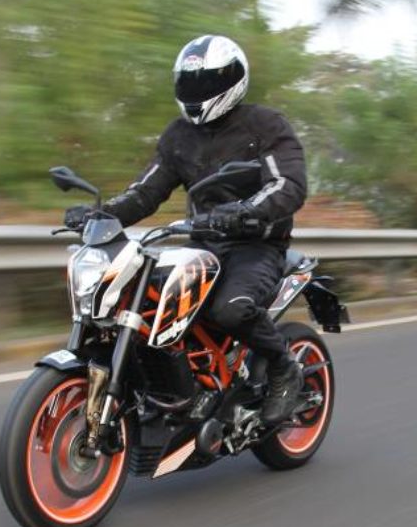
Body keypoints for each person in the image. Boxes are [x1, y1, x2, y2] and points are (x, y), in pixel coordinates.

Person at [64, 34, 306, 424]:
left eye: (206, 82)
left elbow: (288, 185)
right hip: (202, 245)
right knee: (143, 307)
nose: (197, 91)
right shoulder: (179, 135)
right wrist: (100, 214)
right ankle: (170, 390)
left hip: (256, 245)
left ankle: (283, 367)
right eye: (190, 82)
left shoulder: (265, 125)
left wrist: (246, 211)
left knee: (230, 310)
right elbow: (145, 192)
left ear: (233, 81)